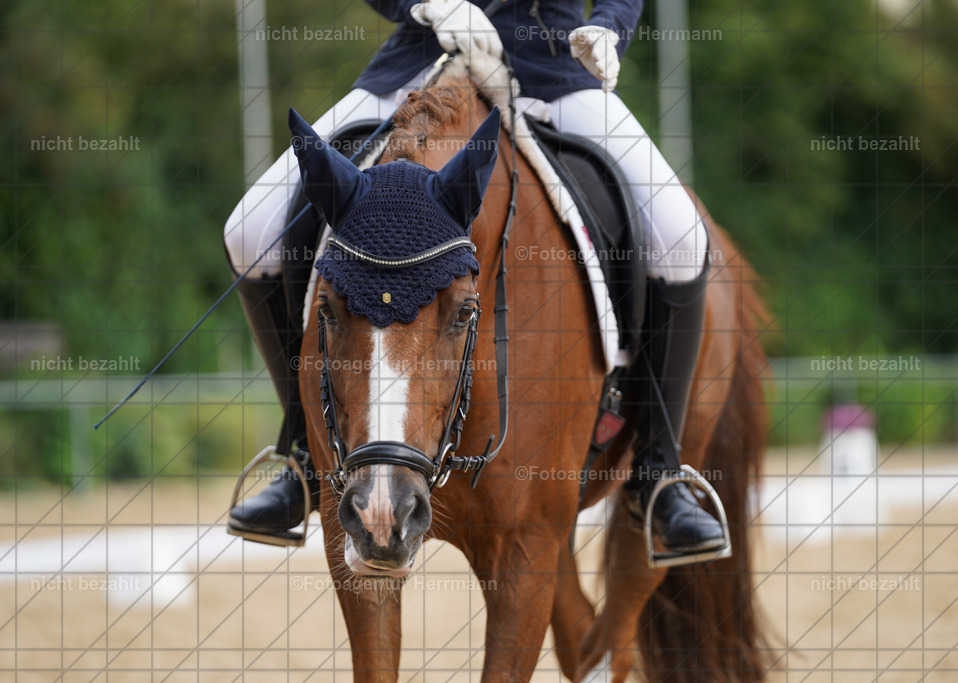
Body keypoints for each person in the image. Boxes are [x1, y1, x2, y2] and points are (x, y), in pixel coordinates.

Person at [225, 0, 726, 562]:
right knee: (250, 232)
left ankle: (659, 474)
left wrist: (610, 25)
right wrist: (425, 4)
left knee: (680, 237)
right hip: (421, 61)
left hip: (554, 68)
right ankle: (302, 454)